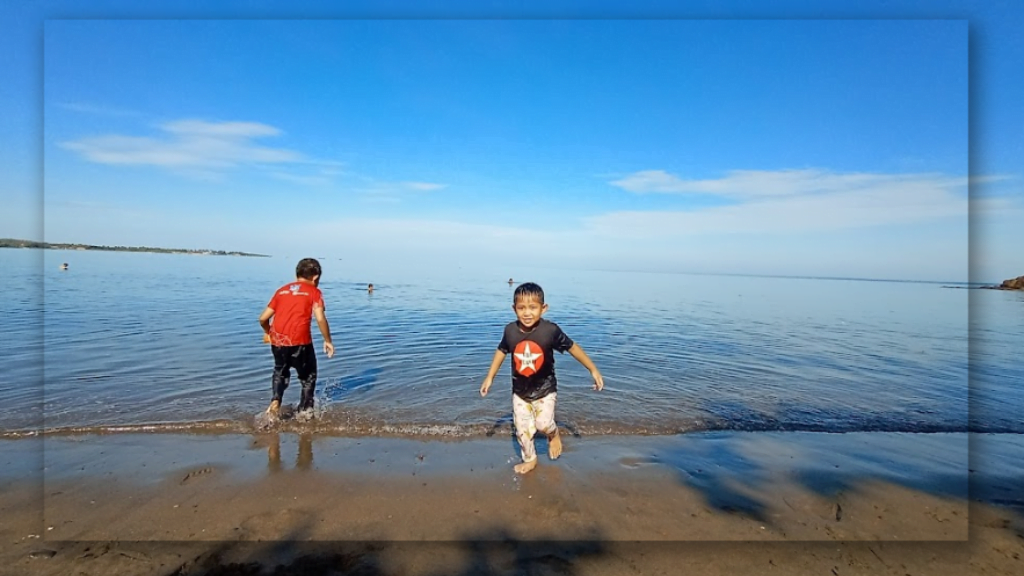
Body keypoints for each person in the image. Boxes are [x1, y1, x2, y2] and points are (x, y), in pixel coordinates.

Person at [479, 282, 604, 474]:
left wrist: (593, 370)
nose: (527, 313)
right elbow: (501, 351)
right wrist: (490, 377)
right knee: (522, 430)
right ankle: (530, 459)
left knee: (543, 424)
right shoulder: (510, 331)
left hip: (546, 389)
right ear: (514, 309)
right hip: (520, 392)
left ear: (543, 309)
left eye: (533, 307)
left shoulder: (550, 331)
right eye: (521, 308)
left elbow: (573, 348)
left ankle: (553, 434)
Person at [258, 258, 335, 422]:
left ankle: (276, 401)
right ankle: (305, 413)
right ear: (315, 277)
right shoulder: (314, 292)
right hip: (301, 343)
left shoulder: (281, 291)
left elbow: (263, 318)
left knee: (280, 370)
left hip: (278, 342)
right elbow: (320, 318)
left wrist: (268, 332)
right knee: (308, 377)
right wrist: (327, 340)